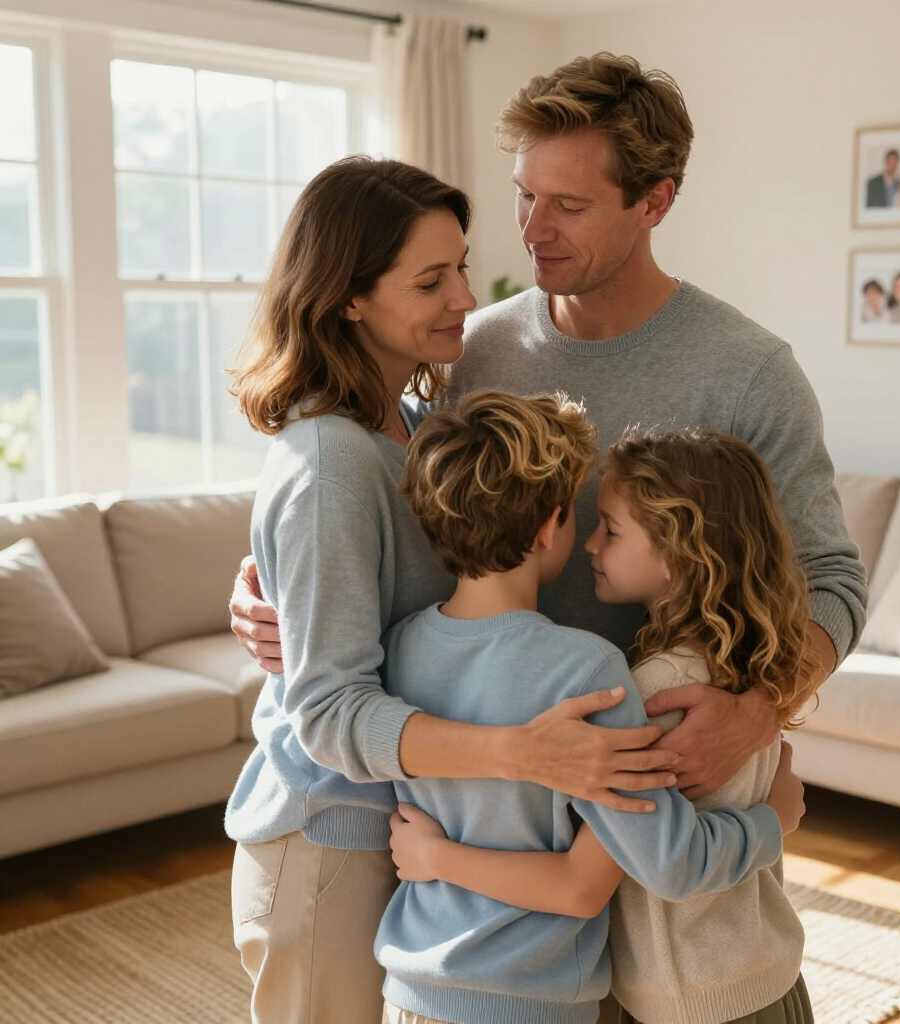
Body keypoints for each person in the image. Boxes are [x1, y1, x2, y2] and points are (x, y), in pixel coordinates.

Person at [231, 52, 866, 824]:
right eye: (524, 195)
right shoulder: (469, 350)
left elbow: (830, 581)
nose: (533, 231)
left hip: (650, 781)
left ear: (654, 201)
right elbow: (389, 513)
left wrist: (760, 711)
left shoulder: (749, 373)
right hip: (483, 805)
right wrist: (273, 595)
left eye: (568, 203)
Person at [224, 156, 676, 1024]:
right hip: (329, 841)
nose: (467, 297)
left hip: (402, 833)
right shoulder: (331, 464)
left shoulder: (421, 429)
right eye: (431, 281)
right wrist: (522, 753)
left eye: (461, 265)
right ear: (348, 298)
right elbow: (326, 712)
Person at [377, 391, 804, 1024]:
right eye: (588, 519)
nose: (589, 545)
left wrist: (434, 859)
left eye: (610, 527)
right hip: (539, 998)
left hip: (412, 988)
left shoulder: (396, 646)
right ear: (551, 525)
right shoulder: (592, 672)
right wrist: (774, 820)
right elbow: (647, 866)